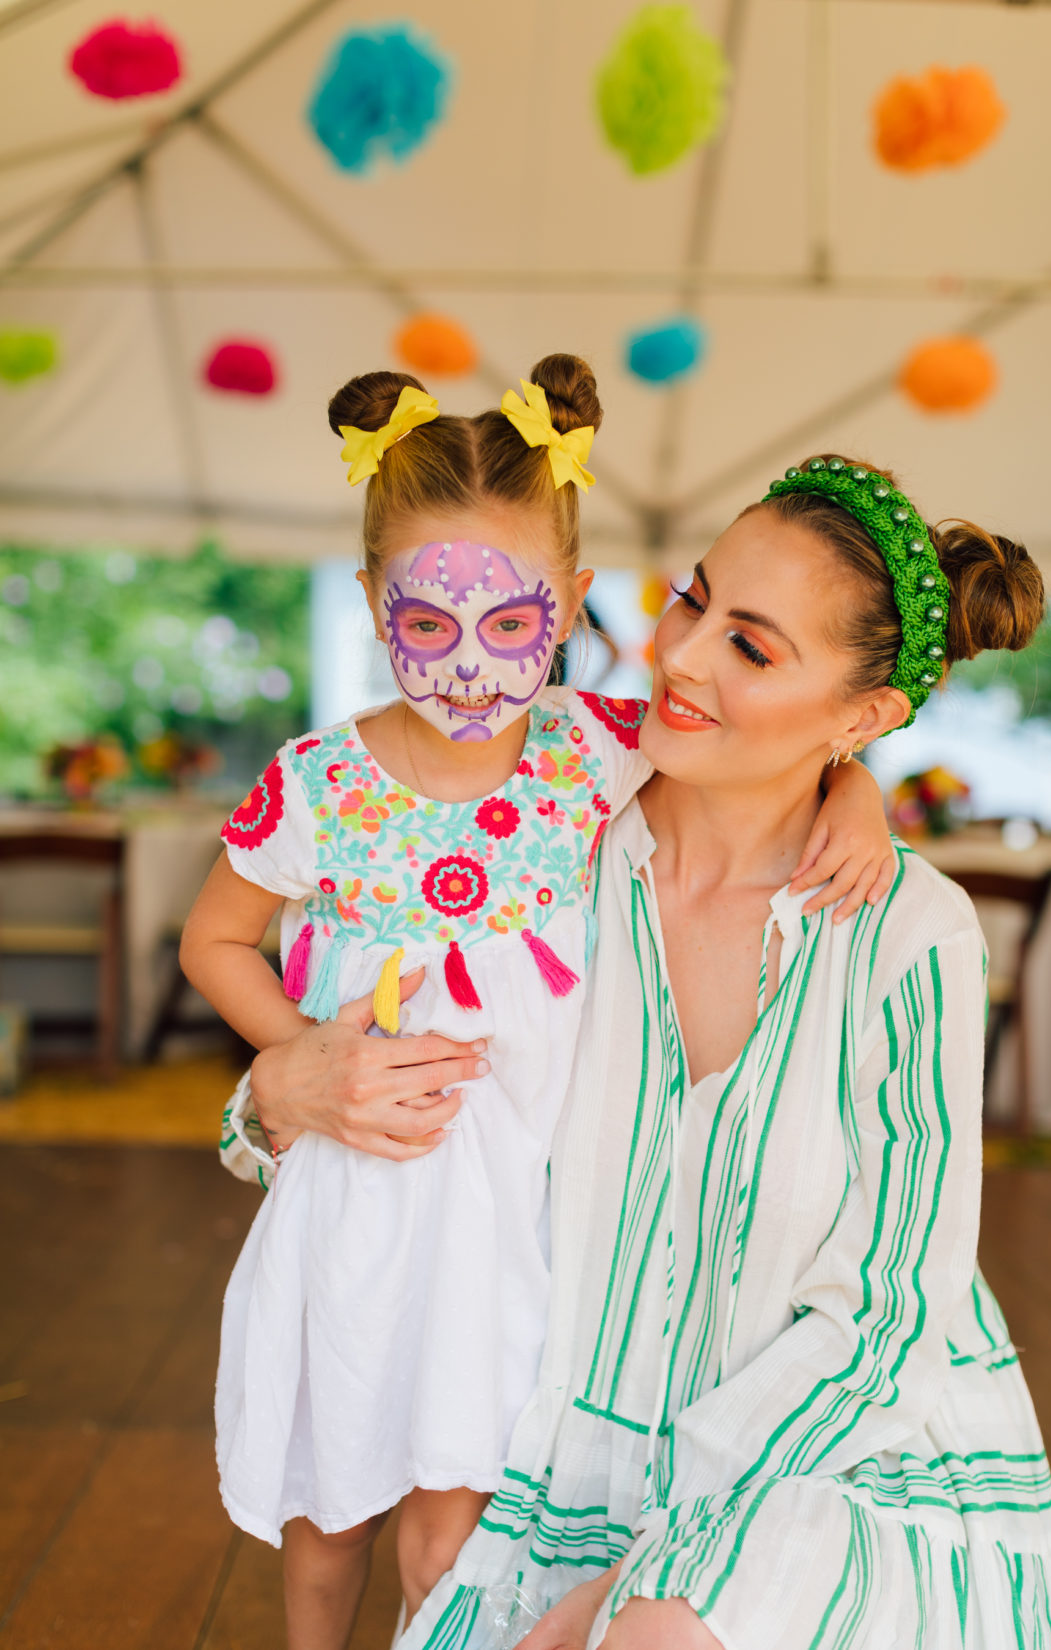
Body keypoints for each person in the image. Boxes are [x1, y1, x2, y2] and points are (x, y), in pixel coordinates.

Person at [231, 454, 1051, 1649]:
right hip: (553, 1463)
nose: (676, 654)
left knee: (662, 1633)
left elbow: (886, 1314)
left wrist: (643, 1580)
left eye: (751, 645)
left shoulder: (911, 934)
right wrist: (281, 1086)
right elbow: (368, 1108)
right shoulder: (541, 857)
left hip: (839, 1460)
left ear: (864, 719)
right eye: (692, 599)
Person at [182, 362, 892, 1650]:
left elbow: (759, 752)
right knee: (330, 1507)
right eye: (423, 623)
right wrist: (304, 1052)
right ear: (367, 603)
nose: (464, 667)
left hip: (525, 1214)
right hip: (359, 1193)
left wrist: (857, 788)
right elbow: (215, 938)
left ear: (566, 602)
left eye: (509, 625)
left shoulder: (591, 747)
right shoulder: (317, 784)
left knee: (458, 1517)